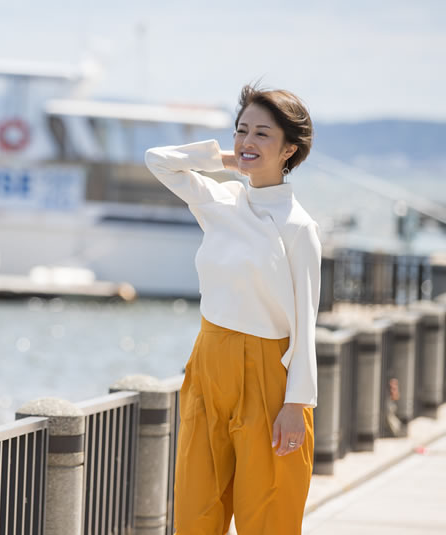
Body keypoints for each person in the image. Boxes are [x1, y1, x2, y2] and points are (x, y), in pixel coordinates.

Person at [144, 84, 321, 535]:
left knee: (268, 515)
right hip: (208, 363)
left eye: (263, 134)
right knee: (196, 510)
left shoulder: (299, 228)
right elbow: (158, 160)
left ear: (290, 150)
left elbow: (306, 324)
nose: (248, 141)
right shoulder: (220, 202)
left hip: (268, 375)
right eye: (242, 130)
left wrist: (296, 404)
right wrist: (231, 158)